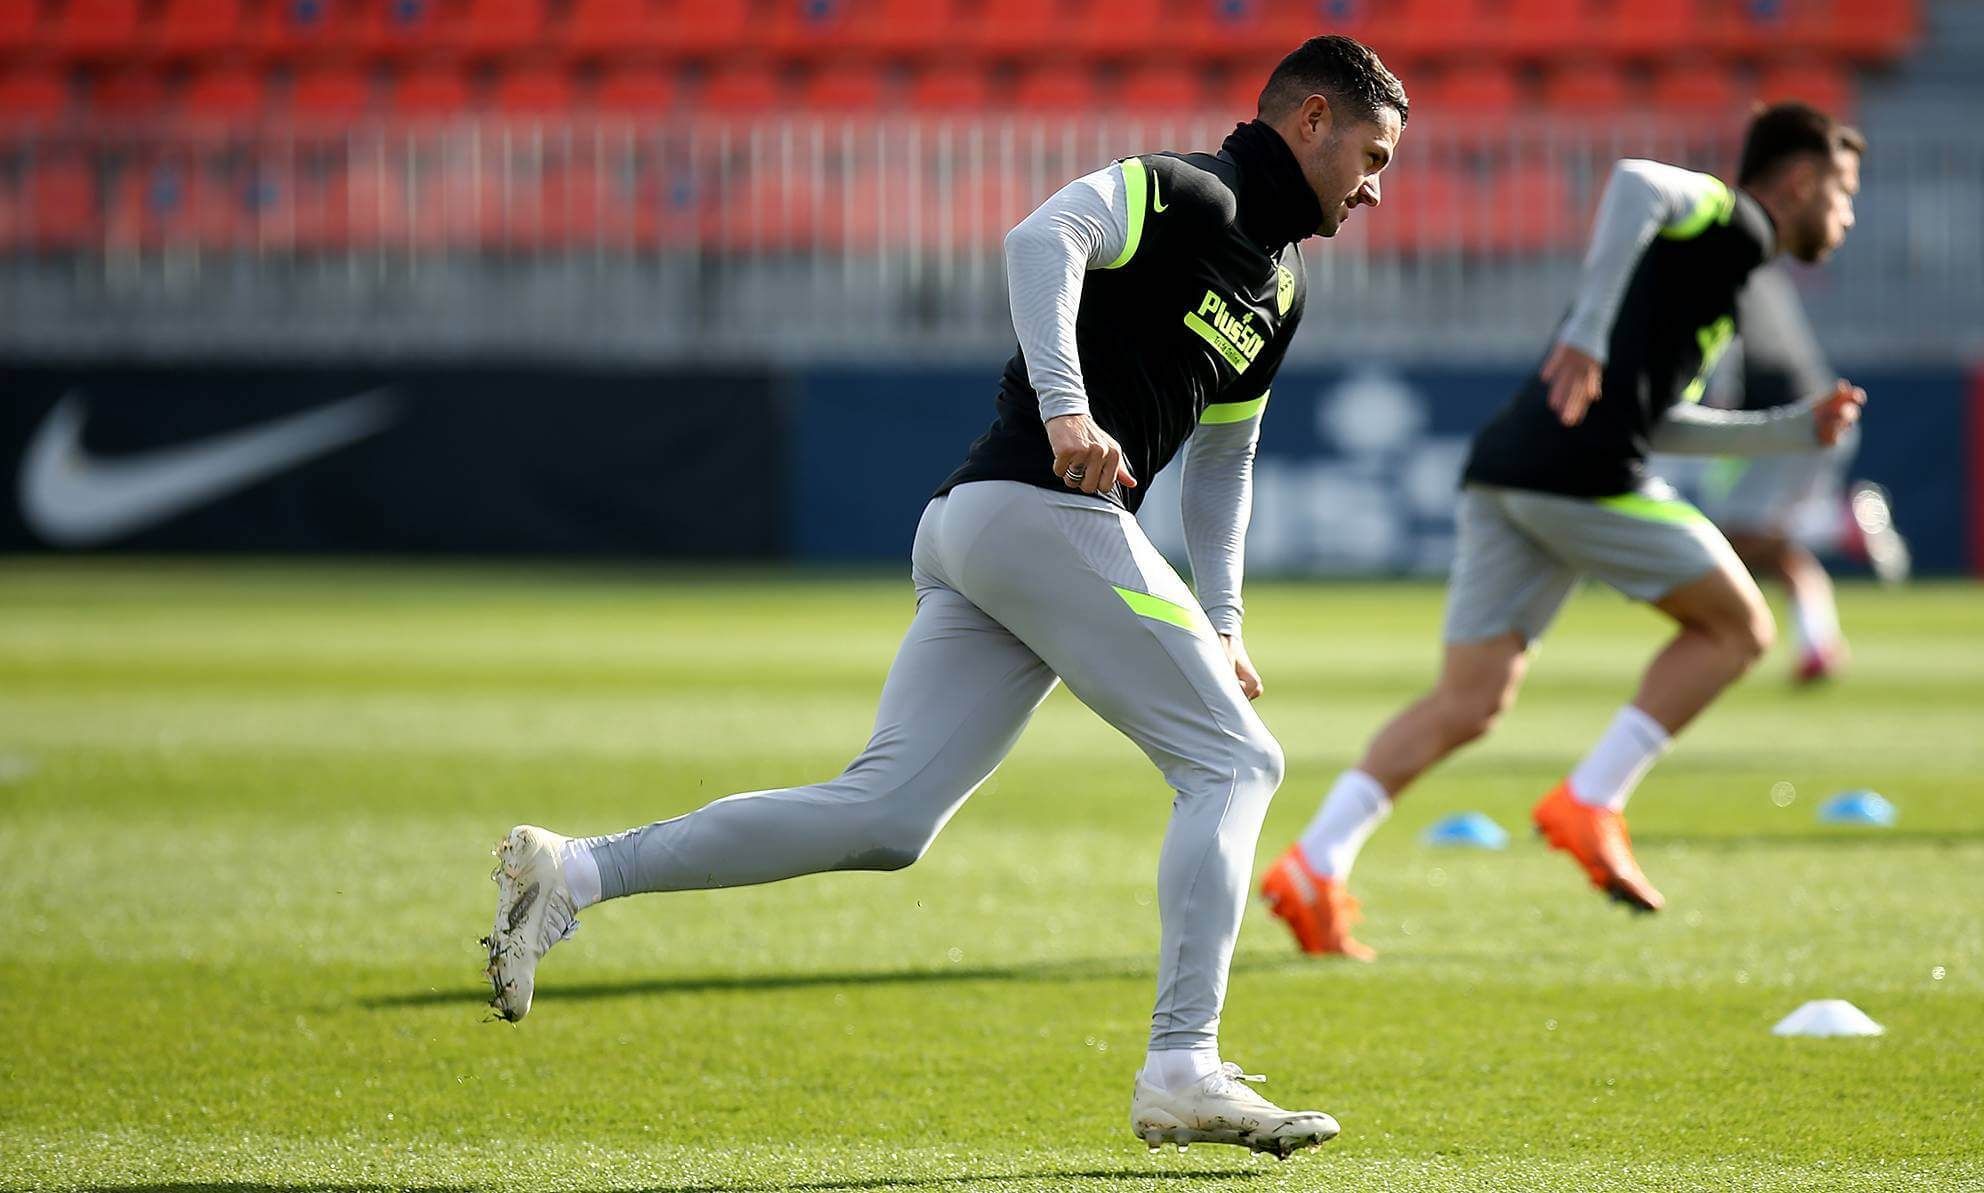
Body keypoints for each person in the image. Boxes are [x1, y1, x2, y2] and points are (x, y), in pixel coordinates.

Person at [483, 35, 1407, 1156]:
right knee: (1238, 760)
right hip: (1033, 508)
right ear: (1310, 119)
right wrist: (1068, 409)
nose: (1373, 184)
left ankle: (574, 869)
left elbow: (1223, 466)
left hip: (993, 530)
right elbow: (1041, 238)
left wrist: (1222, 620)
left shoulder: (1282, 286)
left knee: (886, 817)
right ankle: (1182, 1065)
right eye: (1370, 152)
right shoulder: (1184, 190)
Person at [1261, 102, 1868, 959]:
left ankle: (1313, 864)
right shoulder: (1728, 218)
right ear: (1801, 182)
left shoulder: (1724, 275)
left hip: (1510, 469)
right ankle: (1594, 797)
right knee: (1740, 628)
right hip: (1580, 477)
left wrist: (1791, 428)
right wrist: (1584, 331)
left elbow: (1656, 420)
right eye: (1843, 195)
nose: (1846, 217)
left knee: (1467, 703)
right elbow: (1632, 182)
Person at [1685, 261, 1911, 685]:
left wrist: (1715, 418)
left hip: (1789, 425)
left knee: (1740, 534)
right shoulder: (1760, 272)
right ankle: (1818, 645)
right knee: (1772, 547)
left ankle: (1838, 524)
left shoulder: (1720, 275)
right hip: (1814, 417)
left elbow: (1731, 359)